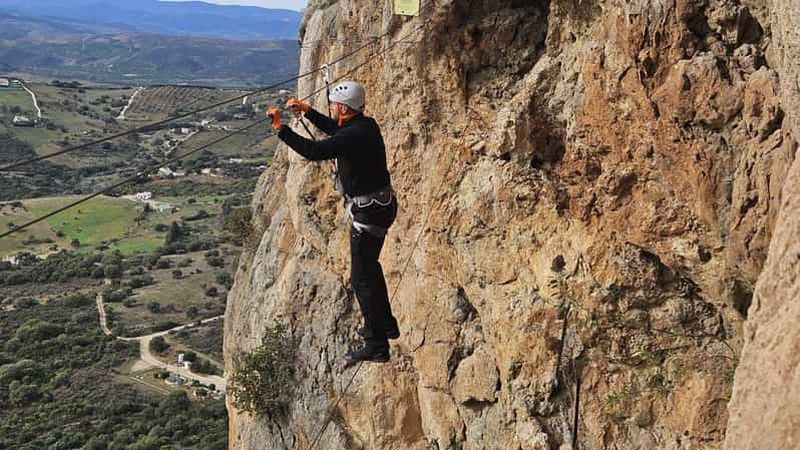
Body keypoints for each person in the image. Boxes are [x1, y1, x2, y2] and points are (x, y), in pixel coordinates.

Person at [266, 81, 400, 363]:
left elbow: (316, 151)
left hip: (368, 213)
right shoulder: (366, 126)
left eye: (334, 106)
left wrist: (282, 130)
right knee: (370, 270)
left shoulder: (352, 135)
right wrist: (308, 111)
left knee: (361, 279)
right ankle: (385, 324)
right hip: (379, 207)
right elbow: (339, 133)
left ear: (341, 107)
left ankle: (377, 345)